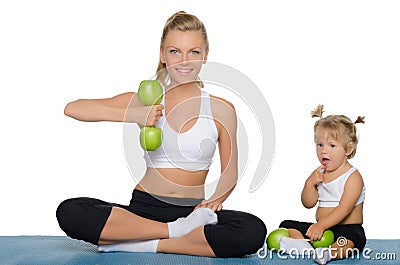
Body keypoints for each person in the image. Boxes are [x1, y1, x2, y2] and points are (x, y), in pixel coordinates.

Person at [56, 11, 266, 258]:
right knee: (70, 211)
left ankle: (141, 241)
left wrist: (215, 201)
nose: (184, 61)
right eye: (175, 51)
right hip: (142, 209)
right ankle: (173, 232)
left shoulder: (222, 109)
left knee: (252, 230)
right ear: (162, 55)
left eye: (194, 52)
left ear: (205, 55)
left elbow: (230, 171)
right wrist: (133, 115)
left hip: (193, 212)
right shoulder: (147, 101)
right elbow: (74, 108)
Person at [278, 105, 366, 264]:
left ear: (349, 148)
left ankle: (330, 253)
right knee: (286, 225)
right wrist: (309, 183)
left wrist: (321, 225)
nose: (324, 151)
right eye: (320, 145)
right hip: (322, 228)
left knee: (353, 240)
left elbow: (345, 208)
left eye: (332, 145)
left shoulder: (353, 177)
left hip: (346, 228)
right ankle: (303, 246)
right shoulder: (320, 175)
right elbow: (308, 203)